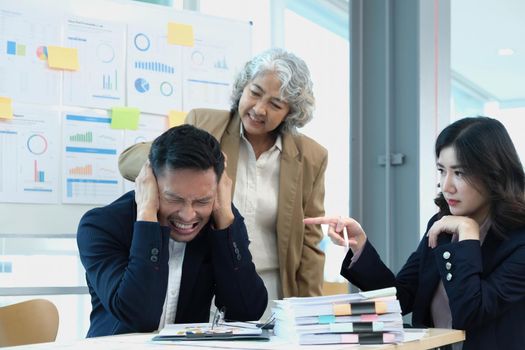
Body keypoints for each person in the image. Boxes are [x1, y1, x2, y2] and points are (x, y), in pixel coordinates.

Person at [119, 48, 327, 304]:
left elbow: (310, 242)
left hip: (273, 294)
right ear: (243, 88)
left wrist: (311, 312)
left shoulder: (311, 157)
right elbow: (128, 162)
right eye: (255, 93)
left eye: (275, 104)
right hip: (205, 287)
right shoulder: (205, 123)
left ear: (290, 112)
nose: (259, 109)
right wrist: (198, 157)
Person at [304, 116, 525, 349]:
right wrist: (360, 246)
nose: (447, 185)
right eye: (442, 171)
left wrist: (468, 234)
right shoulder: (441, 225)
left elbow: (471, 313)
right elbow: (400, 298)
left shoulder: (519, 241)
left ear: (494, 173)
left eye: (459, 173)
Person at [77, 125, 267, 337]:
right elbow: (140, 316)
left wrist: (225, 225)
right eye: (173, 198)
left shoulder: (220, 222)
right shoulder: (102, 225)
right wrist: (147, 217)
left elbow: (248, 312)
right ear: (150, 184)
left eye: (202, 200)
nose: (188, 215)